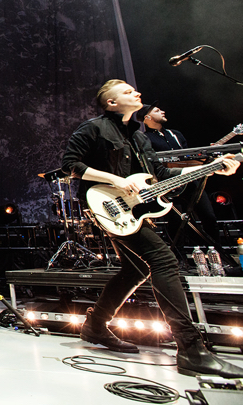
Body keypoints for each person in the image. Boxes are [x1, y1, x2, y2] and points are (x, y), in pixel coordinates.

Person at [62, 79, 243, 377]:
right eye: (127, 91)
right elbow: (71, 165)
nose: (137, 93)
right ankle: (191, 349)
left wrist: (209, 167)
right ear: (111, 103)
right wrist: (118, 181)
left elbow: (157, 174)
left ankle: (95, 326)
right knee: (163, 260)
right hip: (105, 204)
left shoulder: (140, 137)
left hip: (134, 210)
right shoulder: (93, 128)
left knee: (135, 270)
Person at [137, 103, 229, 265]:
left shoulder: (175, 134)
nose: (163, 111)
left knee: (209, 217)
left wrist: (204, 157)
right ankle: (179, 259)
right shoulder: (144, 138)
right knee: (175, 222)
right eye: (157, 110)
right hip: (167, 184)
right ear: (147, 118)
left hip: (190, 181)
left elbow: (186, 157)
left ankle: (217, 255)